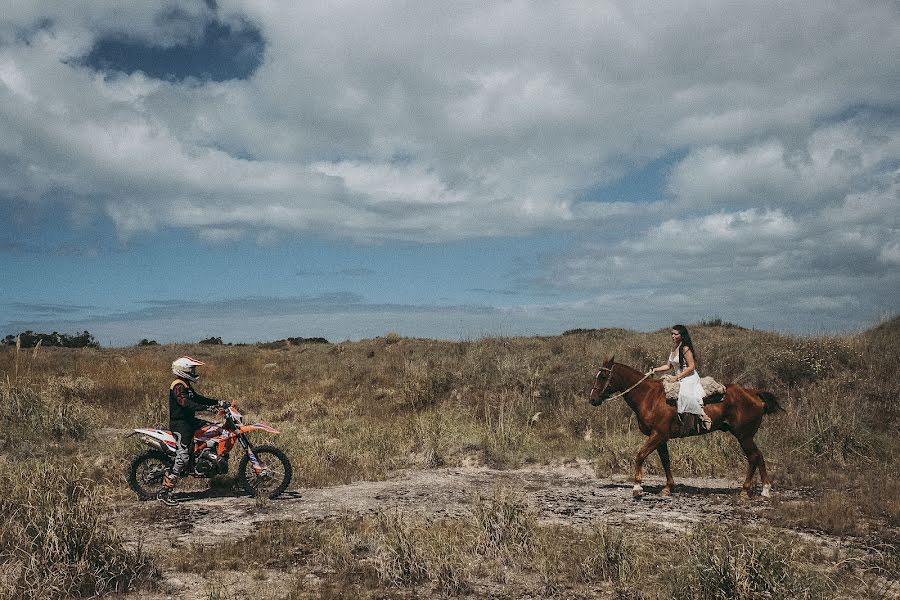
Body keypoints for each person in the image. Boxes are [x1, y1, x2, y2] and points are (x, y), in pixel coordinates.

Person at [157, 356, 228, 506]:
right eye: (192, 369)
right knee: (182, 456)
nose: (194, 372)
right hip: (181, 424)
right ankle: (165, 491)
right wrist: (207, 408)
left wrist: (217, 402)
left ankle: (203, 458)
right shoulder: (177, 385)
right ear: (184, 370)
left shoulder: (186, 384)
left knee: (214, 429)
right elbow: (185, 403)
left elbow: (198, 399)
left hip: (190, 422)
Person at [646, 325, 712, 431]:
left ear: (682, 335)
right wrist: (655, 370)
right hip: (678, 376)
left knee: (685, 394)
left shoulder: (685, 348)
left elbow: (691, 367)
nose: (673, 336)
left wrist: (677, 377)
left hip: (688, 377)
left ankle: (703, 416)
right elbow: (668, 366)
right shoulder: (674, 348)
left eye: (676, 334)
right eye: (672, 334)